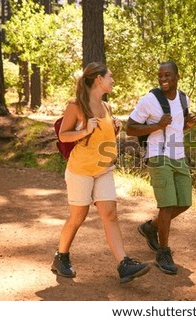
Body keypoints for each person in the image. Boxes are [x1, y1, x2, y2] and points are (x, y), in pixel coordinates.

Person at [51, 62, 150, 284]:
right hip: (80, 171)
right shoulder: (75, 106)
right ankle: (61, 256)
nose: (113, 81)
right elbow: (64, 136)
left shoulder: (107, 107)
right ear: (98, 80)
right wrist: (85, 129)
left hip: (104, 170)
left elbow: (103, 140)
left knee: (110, 215)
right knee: (78, 216)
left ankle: (124, 264)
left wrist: (114, 131)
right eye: (110, 77)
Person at [126, 61, 196, 274]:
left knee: (184, 202)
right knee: (166, 205)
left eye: (167, 75)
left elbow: (177, 127)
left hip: (178, 155)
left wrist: (188, 125)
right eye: (160, 75)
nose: (163, 79)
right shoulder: (149, 100)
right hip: (158, 155)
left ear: (177, 76)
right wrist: (157, 125)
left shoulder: (184, 98)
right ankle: (163, 252)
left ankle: (151, 227)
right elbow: (130, 129)